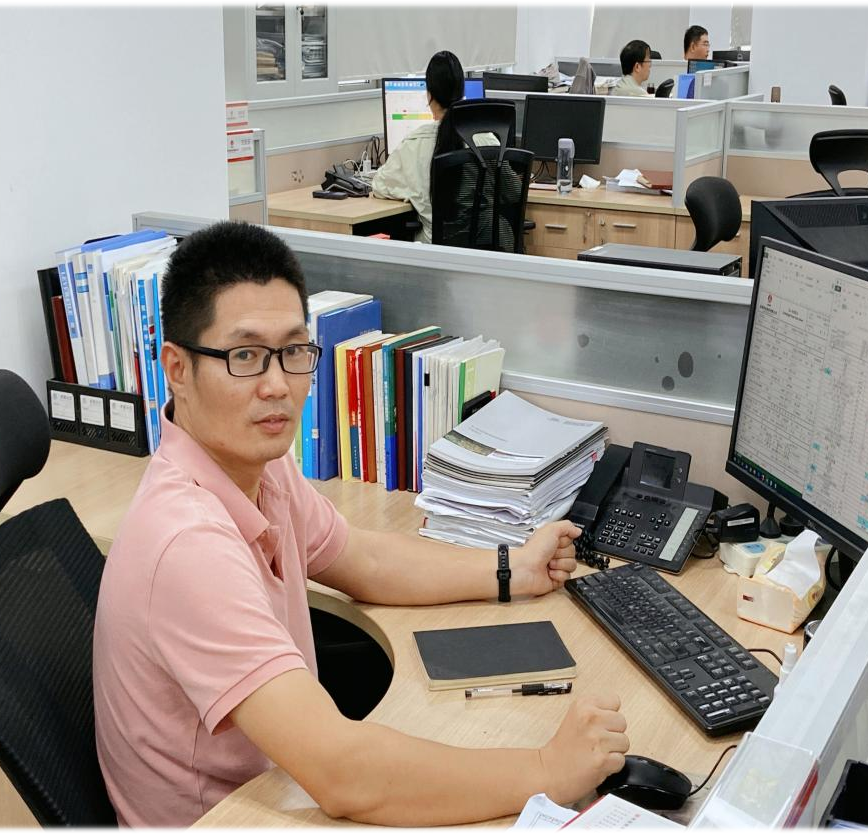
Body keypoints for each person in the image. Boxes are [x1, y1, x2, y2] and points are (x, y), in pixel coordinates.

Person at [92, 220, 631, 832]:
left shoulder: (256, 467)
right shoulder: (188, 543)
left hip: (275, 792)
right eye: (245, 356)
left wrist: (511, 568)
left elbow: (365, 561)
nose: (277, 386)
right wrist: (545, 771)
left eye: (293, 352)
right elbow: (344, 774)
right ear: (178, 368)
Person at [372, 51, 463, 243]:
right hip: (488, 256)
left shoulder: (415, 144)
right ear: (462, 93)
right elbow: (512, 190)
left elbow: (379, 185)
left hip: (434, 255)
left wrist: (409, 192)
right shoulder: (487, 140)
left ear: (429, 95)